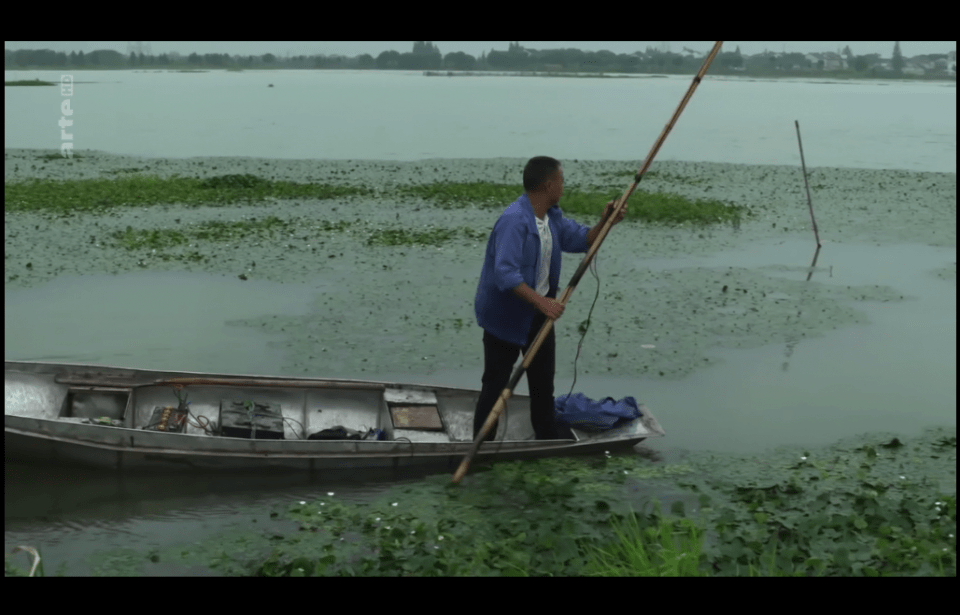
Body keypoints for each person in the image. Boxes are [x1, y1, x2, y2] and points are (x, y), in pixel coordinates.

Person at [473, 156, 625, 442]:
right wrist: (543, 303)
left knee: (543, 385)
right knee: (495, 386)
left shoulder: (551, 217)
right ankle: (480, 445)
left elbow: (582, 240)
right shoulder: (514, 221)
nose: (564, 186)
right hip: (504, 319)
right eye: (562, 180)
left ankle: (545, 439)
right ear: (549, 184)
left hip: (540, 315)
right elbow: (505, 274)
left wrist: (607, 222)